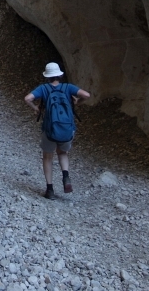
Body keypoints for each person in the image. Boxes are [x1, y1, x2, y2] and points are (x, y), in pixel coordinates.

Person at [24, 62, 90, 199]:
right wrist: (77, 102)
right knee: (63, 153)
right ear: (60, 75)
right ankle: (66, 176)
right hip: (67, 129)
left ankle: (50, 190)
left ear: (47, 77)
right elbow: (87, 95)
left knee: (48, 157)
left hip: (50, 129)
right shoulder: (68, 87)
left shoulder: (44, 89)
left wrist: (35, 108)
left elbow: (28, 98)